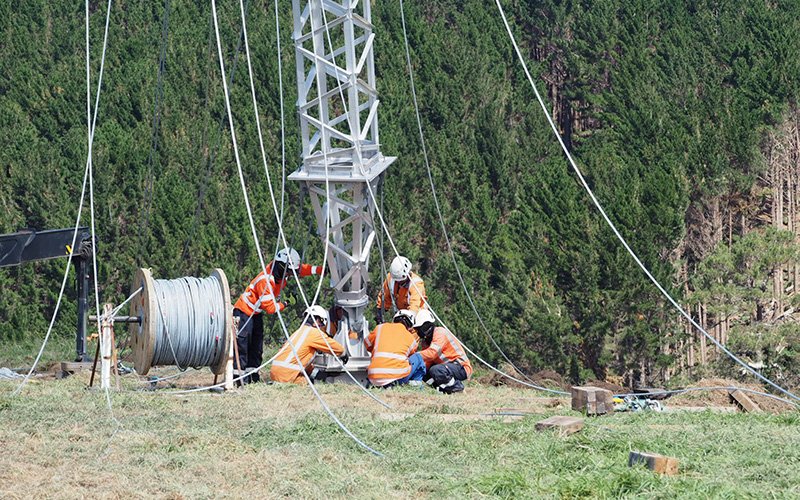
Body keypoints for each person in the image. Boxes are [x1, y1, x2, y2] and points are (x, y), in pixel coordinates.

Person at [233, 247, 323, 383]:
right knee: (243, 346)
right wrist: (286, 303)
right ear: (282, 266)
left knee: (256, 347)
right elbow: (270, 308)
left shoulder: (281, 272)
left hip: (255, 313)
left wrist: (321, 270)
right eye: (289, 271)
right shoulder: (265, 280)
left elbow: (302, 270)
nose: (291, 275)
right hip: (244, 312)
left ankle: (253, 377)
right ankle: (238, 378)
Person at [270, 305, 347, 384]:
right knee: (308, 385)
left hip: (276, 373)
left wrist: (323, 375)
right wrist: (343, 354)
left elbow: (303, 362)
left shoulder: (300, 332)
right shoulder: (313, 332)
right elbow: (337, 348)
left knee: (309, 381)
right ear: (317, 320)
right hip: (286, 375)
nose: (321, 327)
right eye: (322, 323)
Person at [412, 309, 472, 394]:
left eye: (420, 329)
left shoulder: (440, 333)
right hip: (446, 368)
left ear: (426, 326)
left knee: (436, 370)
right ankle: (444, 390)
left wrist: (415, 356)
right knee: (423, 371)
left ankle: (458, 389)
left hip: (461, 367)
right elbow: (427, 362)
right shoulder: (426, 342)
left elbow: (432, 353)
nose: (419, 332)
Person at [364, 309, 426, 387]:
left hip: (374, 377)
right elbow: (410, 356)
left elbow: (366, 344)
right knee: (418, 357)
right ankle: (416, 384)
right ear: (410, 326)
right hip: (396, 378)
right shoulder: (410, 338)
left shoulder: (380, 328)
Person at [375, 256, 427, 324]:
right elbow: (385, 296)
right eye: (398, 281)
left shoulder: (416, 284)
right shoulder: (391, 278)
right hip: (402, 313)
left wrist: (407, 320)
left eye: (401, 281)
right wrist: (380, 311)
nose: (399, 283)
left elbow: (414, 305)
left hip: (418, 317)